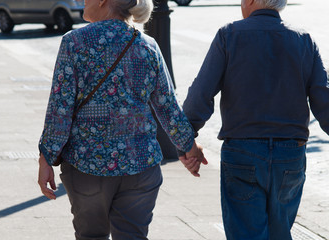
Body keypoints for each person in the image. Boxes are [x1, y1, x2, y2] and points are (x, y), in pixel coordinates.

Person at [37, 0, 205, 238]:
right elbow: (167, 107)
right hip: (140, 165)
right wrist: (189, 146)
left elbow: (59, 111)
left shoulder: (74, 43)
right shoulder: (148, 46)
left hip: (88, 166)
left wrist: (46, 159)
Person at [179, 0, 329, 239]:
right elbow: (325, 101)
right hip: (290, 154)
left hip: (242, 151)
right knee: (280, 233)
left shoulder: (229, 35)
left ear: (249, 0)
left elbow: (200, 94)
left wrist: (186, 141)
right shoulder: (304, 40)